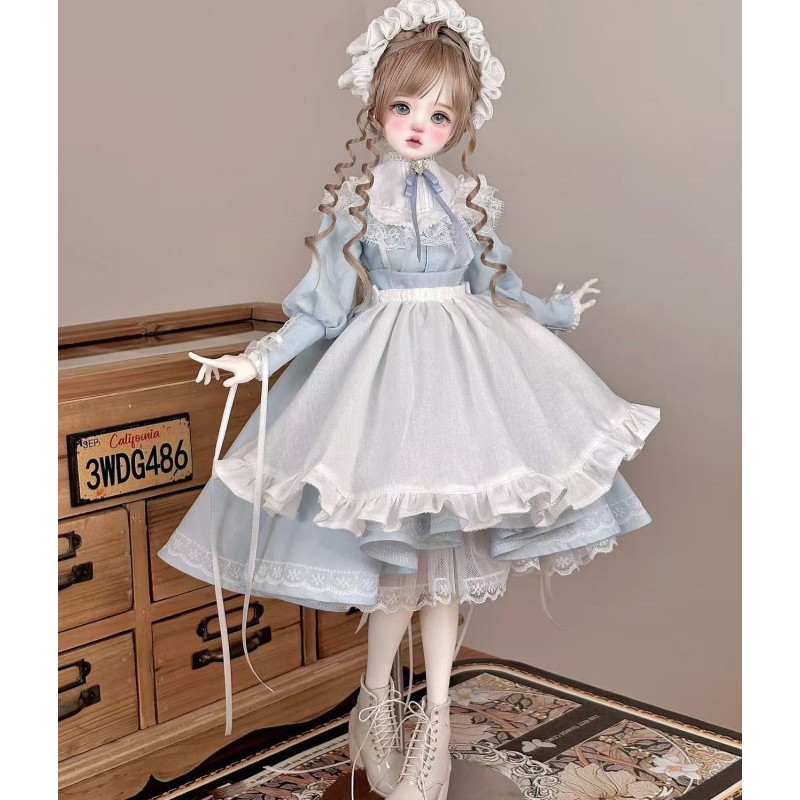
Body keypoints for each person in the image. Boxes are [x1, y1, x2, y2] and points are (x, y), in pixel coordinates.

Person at [158, 4, 660, 798]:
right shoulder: (356, 201)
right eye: (404, 106)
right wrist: (257, 360)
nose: (420, 125)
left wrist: (557, 311)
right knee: (397, 560)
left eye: (440, 114)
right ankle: (376, 704)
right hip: (384, 378)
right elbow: (322, 307)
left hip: (462, 380)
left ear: (462, 122)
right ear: (376, 105)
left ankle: (435, 722)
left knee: (446, 563)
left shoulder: (471, 198)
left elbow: (498, 287)